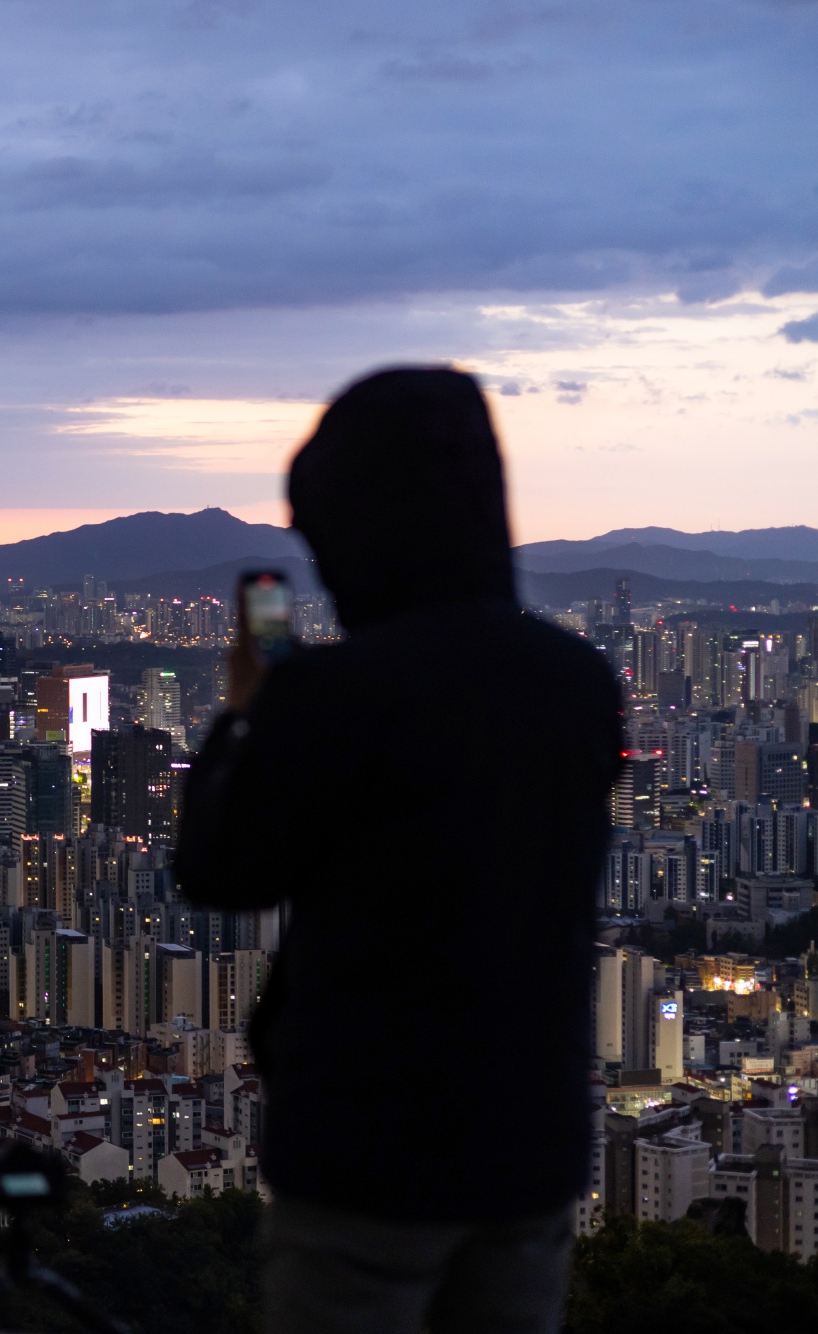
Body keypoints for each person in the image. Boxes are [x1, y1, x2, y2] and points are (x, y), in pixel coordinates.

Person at [174, 367, 623, 1334]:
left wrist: (247, 714)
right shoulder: (575, 682)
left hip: (364, 1151)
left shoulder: (335, 694)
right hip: (530, 1143)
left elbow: (219, 868)